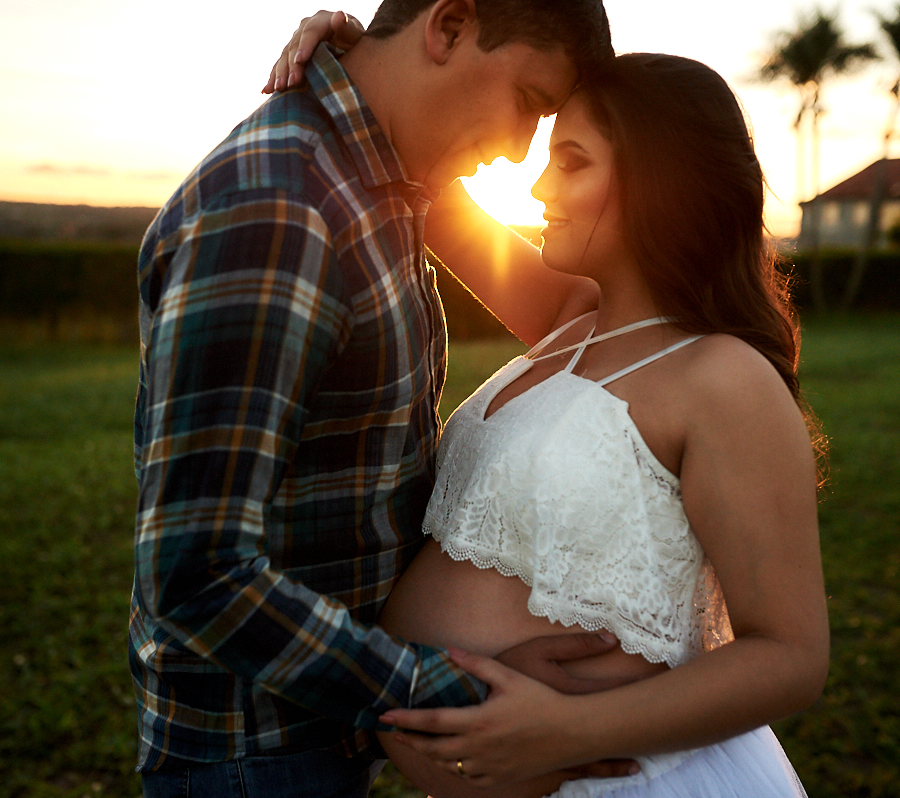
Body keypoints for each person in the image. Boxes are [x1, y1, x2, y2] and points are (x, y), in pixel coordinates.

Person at [269, 16, 830, 798]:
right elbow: (419, 161)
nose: (537, 187)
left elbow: (791, 655)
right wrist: (358, 58)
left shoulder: (722, 378)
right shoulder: (571, 321)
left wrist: (563, 732)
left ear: (657, 179)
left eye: (570, 161)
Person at [129, 2, 625, 797]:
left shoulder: (372, 185)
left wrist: (369, 76)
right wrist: (458, 694)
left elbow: (575, 314)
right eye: (529, 103)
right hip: (254, 756)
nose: (515, 151)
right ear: (451, 25)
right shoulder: (279, 205)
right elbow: (197, 576)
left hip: (313, 735)